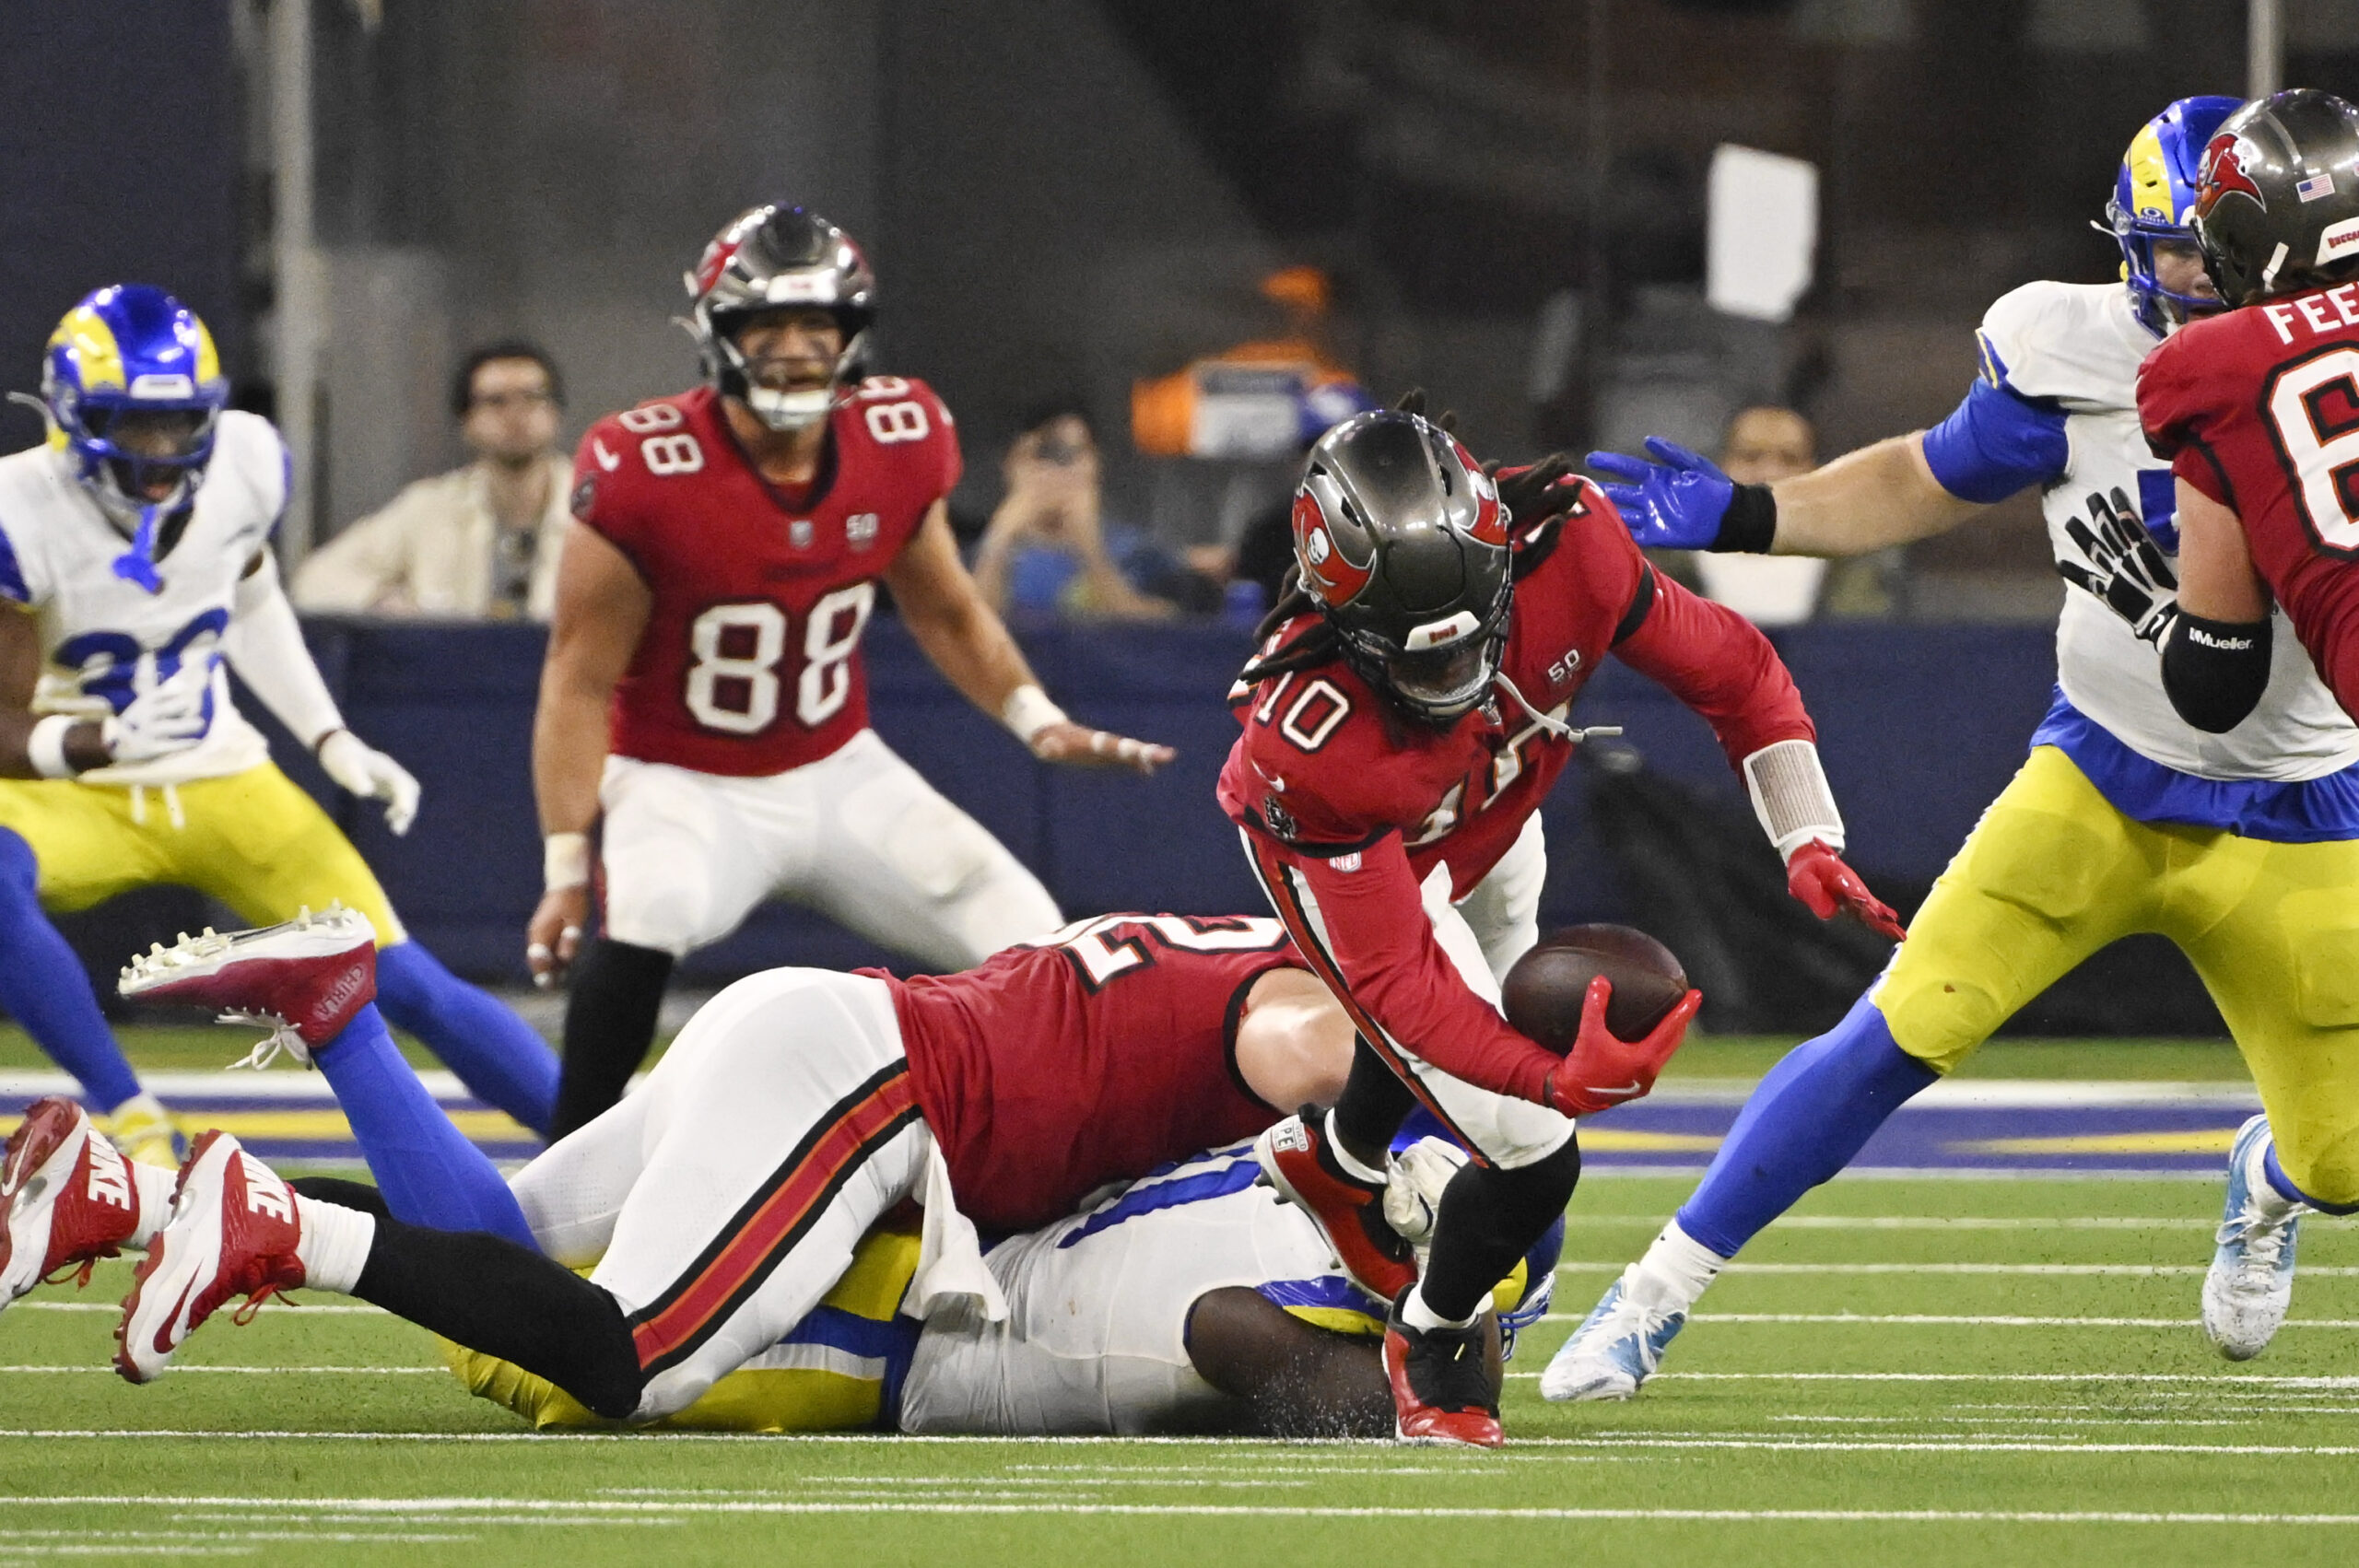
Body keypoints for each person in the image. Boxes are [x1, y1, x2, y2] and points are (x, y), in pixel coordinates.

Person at [1544, 94, 2359, 1399]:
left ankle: (2266, 1177)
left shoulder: (2317, 374)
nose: (2191, 278)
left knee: (2344, 1164)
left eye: (2213, 247)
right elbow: (1926, 476)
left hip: (2297, 801)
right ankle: (1650, 1296)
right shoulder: (2072, 349)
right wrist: (1754, 514)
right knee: (1897, 1028)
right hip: (2099, 777)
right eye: (2170, 249)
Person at [1219, 404, 1898, 1445]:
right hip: (1373, 866)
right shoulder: (1308, 742)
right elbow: (1402, 986)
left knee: (1480, 1052)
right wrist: (1547, 1081)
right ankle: (1431, 1333)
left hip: (1495, 813)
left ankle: (1338, 1156)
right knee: (1534, 1150)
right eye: (1420, 660)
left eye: (1469, 643)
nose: (1456, 679)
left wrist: (1806, 835)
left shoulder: (1565, 546)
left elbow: (1737, 672)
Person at [86, 905, 1405, 1421]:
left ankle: (207, 1130)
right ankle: (289, 1220)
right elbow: (1330, 1056)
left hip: (823, 1033)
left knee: (495, 1255)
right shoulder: (1312, 1014)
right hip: (866, 1091)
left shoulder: (1249, 936)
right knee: (630, 1362)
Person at [527, 205, 1173, 1139]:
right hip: (681, 773)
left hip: (835, 764)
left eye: (815, 326)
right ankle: (568, 1154)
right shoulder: (644, 467)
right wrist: (562, 865)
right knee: (655, 904)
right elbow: (577, 680)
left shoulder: (898, 435)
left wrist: (1035, 716)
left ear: (851, 335)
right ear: (718, 335)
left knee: (1027, 925)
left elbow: (947, 608)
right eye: (767, 327)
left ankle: (1060, 1151)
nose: (792, 350)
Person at [0, 285, 562, 1162]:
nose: (159, 452)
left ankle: (611, 1146)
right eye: (132, 424)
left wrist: (330, 738)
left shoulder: (246, 463)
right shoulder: (17, 509)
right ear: (73, 418)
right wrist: (94, 742)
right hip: (72, 793)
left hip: (221, 774)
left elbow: (253, 595)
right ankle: (133, 1115)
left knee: (404, 980)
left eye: (180, 423)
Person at [2138, 88, 2359, 1357]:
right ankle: (2283, 1169)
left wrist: (2151, 603)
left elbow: (2216, 673)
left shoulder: (2206, 369)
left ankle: (2281, 1171)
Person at [291, 344, 570, 621]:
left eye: (532, 398)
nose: (515, 415)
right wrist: (386, 605)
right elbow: (316, 578)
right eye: (496, 401)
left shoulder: (594, 506)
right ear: (467, 421)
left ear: (556, 413)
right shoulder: (429, 508)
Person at [969, 401, 1179, 621]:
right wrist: (999, 541)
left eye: (1074, 454)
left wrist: (1091, 551)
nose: (1059, 471)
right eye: (1045, 454)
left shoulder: (1138, 553)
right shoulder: (972, 558)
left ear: (1095, 463)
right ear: (1012, 464)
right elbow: (965, 633)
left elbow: (1164, 636)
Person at [1688, 406, 1829, 625]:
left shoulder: (1856, 568)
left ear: (1815, 470)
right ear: (1721, 465)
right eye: (1750, 457)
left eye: (1790, 459)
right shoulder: (1666, 566)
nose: (1770, 473)